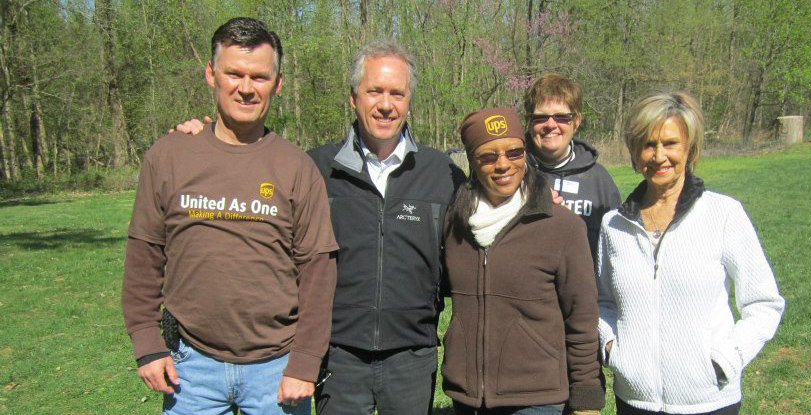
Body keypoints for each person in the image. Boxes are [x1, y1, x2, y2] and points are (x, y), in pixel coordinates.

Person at [122, 17, 338, 415]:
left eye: (259, 77)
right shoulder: (169, 157)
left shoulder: (296, 167)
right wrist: (147, 343)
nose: (246, 88)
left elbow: (318, 272)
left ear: (278, 83)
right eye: (234, 74)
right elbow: (144, 254)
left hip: (276, 369)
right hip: (190, 367)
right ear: (211, 74)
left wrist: (305, 362)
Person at [596, 91, 785, 415]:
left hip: (708, 400)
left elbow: (764, 303)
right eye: (648, 144)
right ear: (635, 151)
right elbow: (603, 302)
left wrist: (726, 360)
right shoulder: (614, 226)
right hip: (635, 400)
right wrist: (612, 348)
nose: (659, 156)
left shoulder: (723, 214)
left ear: (690, 148)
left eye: (670, 143)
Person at [305, 41, 465, 415]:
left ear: (409, 101)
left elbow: (485, 229)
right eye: (374, 91)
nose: (386, 104)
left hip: (412, 355)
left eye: (397, 93)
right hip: (338, 356)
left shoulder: (441, 174)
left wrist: (539, 195)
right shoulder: (315, 169)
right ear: (353, 97)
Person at [442, 107, 605, 415]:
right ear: (472, 162)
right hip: (467, 397)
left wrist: (586, 398)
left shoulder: (562, 226)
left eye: (514, 152)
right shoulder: (454, 224)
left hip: (536, 399)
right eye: (488, 156)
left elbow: (582, 318)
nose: (503, 164)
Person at [524, 74, 620, 261]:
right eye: (541, 117)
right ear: (529, 122)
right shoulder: (513, 176)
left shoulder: (599, 181)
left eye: (561, 117)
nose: (550, 125)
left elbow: (614, 251)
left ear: (576, 121)